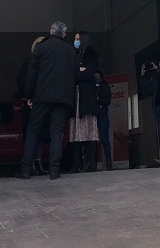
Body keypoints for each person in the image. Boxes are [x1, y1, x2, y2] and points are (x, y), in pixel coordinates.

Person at [16, 21, 77, 181]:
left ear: (50, 31)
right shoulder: (71, 51)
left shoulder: (41, 49)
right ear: (64, 34)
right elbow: (75, 76)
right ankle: (54, 171)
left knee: (33, 131)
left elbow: (32, 74)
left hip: (42, 96)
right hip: (62, 98)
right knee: (56, 132)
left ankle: (25, 170)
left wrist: (29, 95)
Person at [69, 32, 100, 173]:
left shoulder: (91, 56)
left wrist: (78, 72)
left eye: (77, 39)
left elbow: (88, 73)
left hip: (86, 99)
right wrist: (79, 70)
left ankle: (91, 163)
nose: (75, 42)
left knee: (89, 132)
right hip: (75, 99)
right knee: (75, 133)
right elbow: (72, 72)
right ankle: (76, 164)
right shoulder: (72, 55)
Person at [17, 36, 46, 175]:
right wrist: (28, 97)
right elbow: (23, 81)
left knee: (39, 135)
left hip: (40, 103)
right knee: (33, 134)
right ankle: (30, 164)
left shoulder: (46, 64)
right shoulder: (29, 63)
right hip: (30, 104)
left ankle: (37, 162)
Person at [94, 70, 113, 170]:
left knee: (105, 139)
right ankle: (93, 164)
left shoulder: (105, 86)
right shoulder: (91, 87)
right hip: (93, 115)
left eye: (97, 77)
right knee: (93, 140)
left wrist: (98, 100)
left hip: (103, 115)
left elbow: (107, 100)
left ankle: (109, 163)